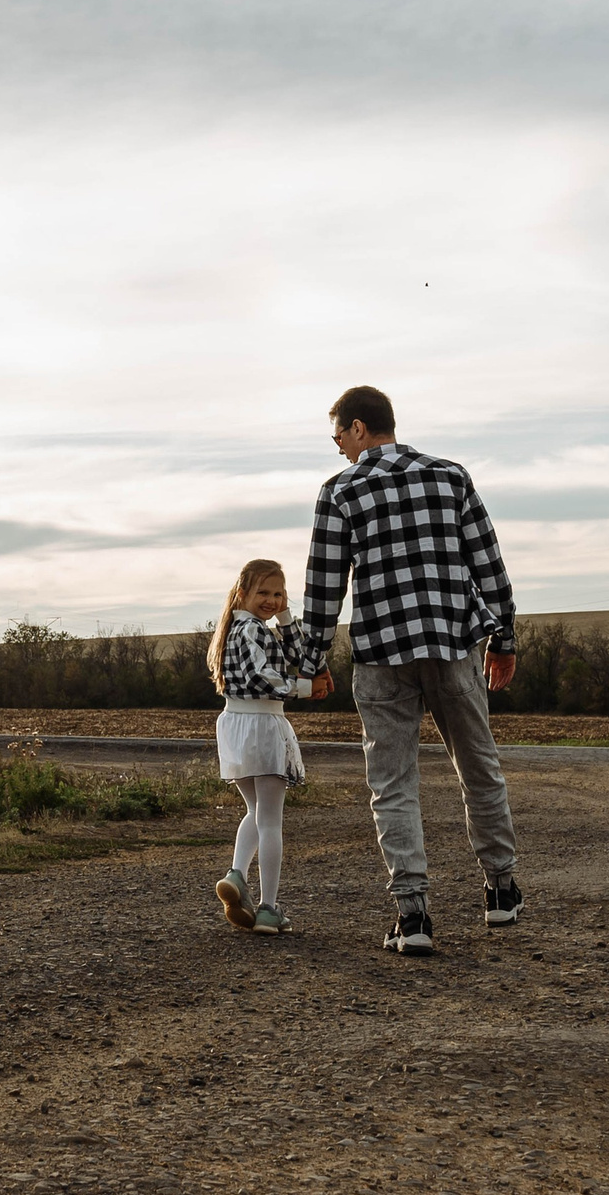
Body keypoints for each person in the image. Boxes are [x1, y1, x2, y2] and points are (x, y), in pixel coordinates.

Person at [297, 385, 522, 956]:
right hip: (452, 643)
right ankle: (501, 892)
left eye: (337, 438)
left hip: (381, 656)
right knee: (479, 767)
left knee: (393, 784)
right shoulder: (451, 476)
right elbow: (487, 562)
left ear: (356, 428)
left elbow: (325, 588)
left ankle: (413, 915)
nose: (339, 450)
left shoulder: (340, 491)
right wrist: (504, 637)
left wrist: (312, 661)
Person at [208, 557, 334, 933]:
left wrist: (285, 618)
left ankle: (236, 875)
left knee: (256, 810)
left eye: (278, 593)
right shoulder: (250, 632)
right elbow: (264, 678)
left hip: (237, 723)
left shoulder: (252, 628)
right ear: (242, 593)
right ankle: (268, 907)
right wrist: (305, 688)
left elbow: (299, 656)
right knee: (271, 819)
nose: (272, 599)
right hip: (262, 722)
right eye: (263, 592)